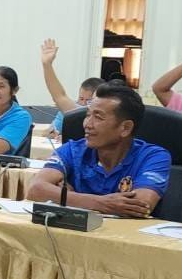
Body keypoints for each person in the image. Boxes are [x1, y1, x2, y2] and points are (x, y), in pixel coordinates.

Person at [27, 82, 171, 217]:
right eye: (88, 115)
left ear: (125, 128)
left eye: (98, 117)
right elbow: (36, 190)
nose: (87, 124)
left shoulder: (154, 156)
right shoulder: (72, 149)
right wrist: (102, 203)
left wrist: (66, 197)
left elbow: (140, 205)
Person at [40, 39, 105, 140]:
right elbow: (59, 96)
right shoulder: (80, 114)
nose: (85, 105)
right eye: (82, 99)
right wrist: (47, 65)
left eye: (90, 101)